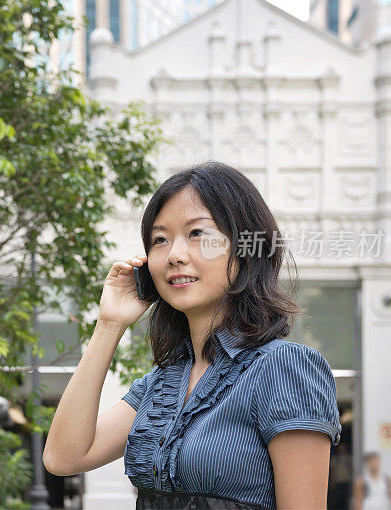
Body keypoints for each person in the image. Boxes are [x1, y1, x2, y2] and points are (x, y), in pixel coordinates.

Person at [42, 161, 342, 510]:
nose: (175, 255)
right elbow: (63, 458)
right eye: (160, 239)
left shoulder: (284, 368)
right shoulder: (163, 383)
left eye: (197, 233)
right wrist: (110, 324)